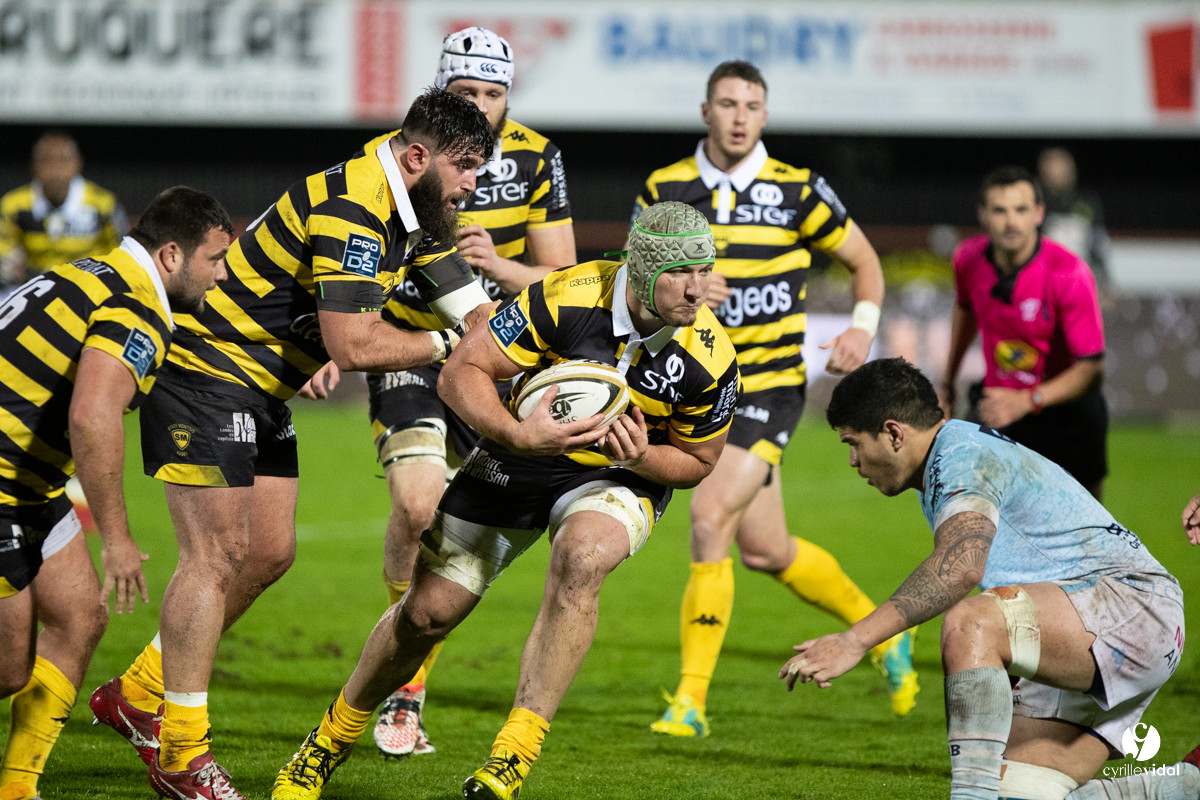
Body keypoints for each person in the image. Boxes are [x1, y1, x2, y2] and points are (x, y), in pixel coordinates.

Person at [87, 87, 496, 800]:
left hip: (262, 385)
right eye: (464, 167)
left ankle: (136, 692)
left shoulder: (416, 211)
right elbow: (354, 340)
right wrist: (446, 343)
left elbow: (477, 310)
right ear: (418, 155)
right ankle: (182, 754)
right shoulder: (356, 207)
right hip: (207, 371)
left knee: (270, 553)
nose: (471, 184)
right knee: (214, 558)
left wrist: (515, 346)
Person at [270, 201, 740, 800]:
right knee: (426, 613)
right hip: (521, 451)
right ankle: (327, 742)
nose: (700, 288)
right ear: (643, 270)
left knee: (585, 554)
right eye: (682, 272)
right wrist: (518, 434)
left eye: (706, 270)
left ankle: (511, 756)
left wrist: (638, 456)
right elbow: (461, 372)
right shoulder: (566, 296)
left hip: (621, 474)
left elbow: (698, 463)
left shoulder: (710, 357)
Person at [633, 59, 915, 736]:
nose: (738, 116)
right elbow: (634, 279)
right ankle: (884, 635)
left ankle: (690, 702)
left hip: (767, 386)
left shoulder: (798, 190)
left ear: (765, 115)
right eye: (726, 103)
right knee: (766, 549)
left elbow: (865, 263)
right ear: (706, 112)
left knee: (707, 516)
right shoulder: (665, 189)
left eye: (751, 105)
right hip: (694, 384)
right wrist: (685, 291)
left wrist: (861, 329)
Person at [785, 357, 1199, 800]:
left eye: (853, 443)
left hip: (1126, 608)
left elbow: (962, 566)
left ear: (892, 433)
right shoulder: (952, 452)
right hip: (1093, 618)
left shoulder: (960, 458)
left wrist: (855, 640)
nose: (852, 461)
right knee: (1022, 793)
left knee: (971, 621)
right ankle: (1182, 788)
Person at [331, 26, 578, 760]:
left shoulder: (537, 158)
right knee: (415, 503)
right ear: (439, 92)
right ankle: (405, 698)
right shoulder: (398, 156)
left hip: (488, 357)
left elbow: (560, 278)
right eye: (464, 92)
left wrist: (498, 268)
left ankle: (409, 656)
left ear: (510, 97)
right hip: (408, 349)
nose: (479, 104)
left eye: (492, 93)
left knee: (460, 529)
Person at [0, 186, 232, 800]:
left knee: (79, 617)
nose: (221, 275)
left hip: (28, 482)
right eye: (215, 260)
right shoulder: (136, 308)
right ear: (173, 255)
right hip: (2, 480)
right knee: (6, 666)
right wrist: (119, 540)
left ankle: (17, 790)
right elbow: (93, 417)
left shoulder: (90, 272)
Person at [940, 166, 1109, 500]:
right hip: (1000, 405)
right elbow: (965, 310)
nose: (1011, 221)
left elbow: (1092, 369)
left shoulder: (1069, 273)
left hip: (1066, 413)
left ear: (1039, 214)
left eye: (1021, 210)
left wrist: (1028, 400)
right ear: (983, 215)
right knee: (966, 504)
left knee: (1088, 528)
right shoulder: (967, 259)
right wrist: (947, 383)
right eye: (1000, 210)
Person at [0, 131, 127, 290]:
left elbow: (120, 254)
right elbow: (5, 253)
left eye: (64, 161)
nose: (55, 170)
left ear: (78, 163)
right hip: (33, 288)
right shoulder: (13, 205)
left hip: (88, 289)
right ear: (34, 165)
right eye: (47, 161)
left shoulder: (103, 205)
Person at [1036, 147, 1111, 292]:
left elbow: (1099, 243)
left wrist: (1104, 282)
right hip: (1045, 282)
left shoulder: (1087, 201)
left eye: (1063, 165)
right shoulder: (1036, 204)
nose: (1058, 171)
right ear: (1042, 172)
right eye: (1051, 165)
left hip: (1081, 281)